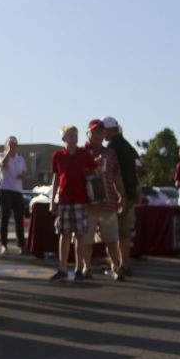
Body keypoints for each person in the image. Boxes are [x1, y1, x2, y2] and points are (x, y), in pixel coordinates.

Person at [49, 124, 95, 282]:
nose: (74, 138)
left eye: (75, 135)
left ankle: (79, 269)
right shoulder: (58, 156)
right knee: (64, 234)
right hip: (64, 200)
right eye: (70, 136)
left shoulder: (84, 153)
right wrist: (52, 200)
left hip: (80, 199)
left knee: (80, 235)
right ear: (63, 139)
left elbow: (94, 170)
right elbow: (56, 178)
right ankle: (62, 268)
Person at [80, 119, 124, 279]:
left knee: (112, 238)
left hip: (108, 202)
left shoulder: (110, 153)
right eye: (94, 131)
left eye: (100, 132)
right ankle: (87, 267)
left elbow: (117, 175)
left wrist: (121, 194)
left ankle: (115, 267)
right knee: (86, 239)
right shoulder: (81, 152)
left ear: (104, 134)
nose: (97, 135)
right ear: (87, 134)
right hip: (87, 203)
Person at [102, 117, 140, 276]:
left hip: (119, 195)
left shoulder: (112, 148)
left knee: (114, 232)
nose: (102, 133)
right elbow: (140, 168)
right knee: (124, 232)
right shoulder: (128, 146)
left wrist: (119, 194)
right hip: (130, 193)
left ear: (110, 130)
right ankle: (125, 263)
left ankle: (116, 264)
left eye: (104, 130)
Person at [0, 136, 27, 255]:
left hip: (17, 191)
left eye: (14, 144)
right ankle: (4, 245)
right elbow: (2, 164)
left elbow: (24, 171)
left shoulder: (20, 159)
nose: (13, 146)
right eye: (10, 144)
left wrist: (22, 176)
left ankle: (21, 245)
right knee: (4, 218)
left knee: (19, 219)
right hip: (5, 190)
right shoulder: (1, 155)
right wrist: (9, 151)